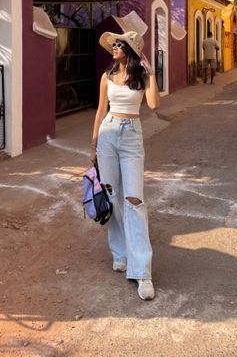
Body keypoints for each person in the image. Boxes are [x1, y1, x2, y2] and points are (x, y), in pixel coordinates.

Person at [91, 30, 160, 301]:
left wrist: (152, 74)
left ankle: (142, 271)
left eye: (120, 44)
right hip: (107, 134)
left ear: (130, 50)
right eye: (114, 43)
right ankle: (120, 252)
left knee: (134, 200)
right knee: (112, 195)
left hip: (131, 135)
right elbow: (100, 110)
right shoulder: (107, 77)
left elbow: (154, 104)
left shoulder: (141, 78)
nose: (115, 47)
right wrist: (93, 145)